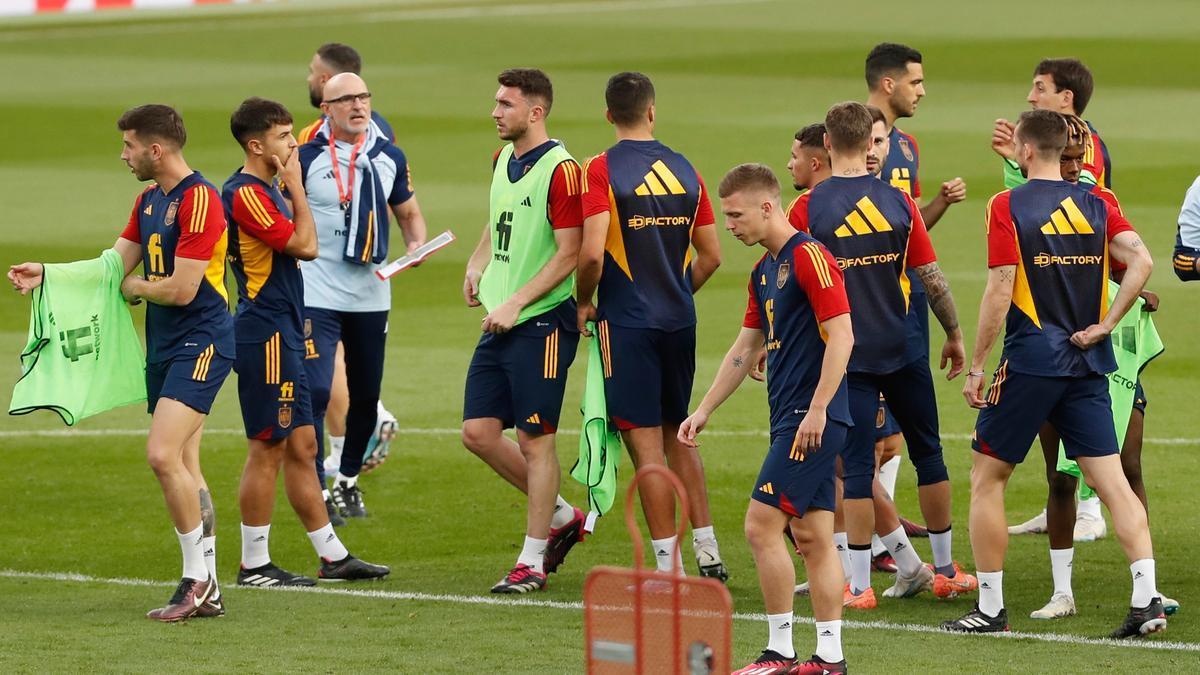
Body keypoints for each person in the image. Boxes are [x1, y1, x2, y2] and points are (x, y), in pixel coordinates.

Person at [944, 110, 1164, 638]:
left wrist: (977, 365)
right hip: (1087, 360)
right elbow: (1143, 261)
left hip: (1030, 361)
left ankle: (992, 609)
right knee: (1111, 483)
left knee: (987, 477)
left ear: (1023, 150)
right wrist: (1106, 324)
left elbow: (1000, 289)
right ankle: (1146, 600)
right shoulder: (1100, 202)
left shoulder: (1007, 205)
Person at [11, 105, 231, 621]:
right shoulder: (148, 200)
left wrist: (136, 287)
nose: (123, 154)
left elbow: (180, 289)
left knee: (161, 455)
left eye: (129, 145)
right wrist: (50, 273)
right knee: (185, 463)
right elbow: (113, 265)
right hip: (164, 345)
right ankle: (212, 587)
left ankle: (194, 580)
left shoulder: (201, 201)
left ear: (156, 150)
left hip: (203, 341)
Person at [791, 102, 974, 609]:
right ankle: (943, 571)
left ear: (827, 144)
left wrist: (772, 339)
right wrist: (955, 332)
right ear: (868, 144)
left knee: (854, 467)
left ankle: (858, 585)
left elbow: (789, 284)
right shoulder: (898, 201)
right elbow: (930, 277)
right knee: (929, 453)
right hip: (904, 347)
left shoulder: (806, 209)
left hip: (847, 355)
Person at [682, 163, 852, 675]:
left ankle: (780, 651)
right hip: (793, 416)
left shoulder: (811, 257)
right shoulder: (763, 271)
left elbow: (842, 335)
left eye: (735, 215)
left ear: (767, 207)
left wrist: (819, 409)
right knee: (814, 537)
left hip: (813, 418)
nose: (728, 225)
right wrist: (705, 408)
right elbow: (745, 347)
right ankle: (829, 659)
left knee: (760, 526)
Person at [1003, 114, 1174, 618]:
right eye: (1070, 158)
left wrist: (1138, 299)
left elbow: (1128, 268)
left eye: (1083, 159)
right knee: (1061, 475)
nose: (1076, 167)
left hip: (1112, 356)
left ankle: (1148, 587)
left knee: (1129, 465)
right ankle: (1062, 591)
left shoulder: (1102, 204)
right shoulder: (1026, 201)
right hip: (1056, 353)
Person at [222, 97, 390, 586]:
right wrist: (297, 187)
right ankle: (254, 564)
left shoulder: (267, 189)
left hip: (287, 328)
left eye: (293, 133)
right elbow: (306, 247)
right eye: (282, 136)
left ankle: (333, 556)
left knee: (304, 444)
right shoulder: (247, 193)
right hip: (265, 334)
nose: (294, 143)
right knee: (268, 447)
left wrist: (289, 188)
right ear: (256, 145)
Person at [577, 71, 725, 579]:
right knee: (678, 432)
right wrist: (678, 291)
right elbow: (711, 255)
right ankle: (709, 550)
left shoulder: (599, 169)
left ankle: (669, 567)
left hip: (628, 325)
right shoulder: (686, 169)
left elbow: (593, 254)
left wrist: (582, 302)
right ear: (652, 112)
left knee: (647, 449)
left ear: (608, 114)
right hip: (679, 322)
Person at [460, 68, 586, 593]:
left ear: (536, 112)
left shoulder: (563, 171)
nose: (495, 112)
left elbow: (570, 252)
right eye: (495, 103)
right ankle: (561, 516)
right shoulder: (502, 160)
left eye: (505, 105)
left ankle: (532, 561)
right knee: (479, 433)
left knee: (535, 441)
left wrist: (515, 300)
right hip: (502, 318)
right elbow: (498, 218)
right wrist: (477, 261)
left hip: (543, 322)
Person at [298, 72, 427, 519]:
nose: (358, 105)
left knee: (366, 396)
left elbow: (409, 213)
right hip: (316, 288)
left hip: (371, 292)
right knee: (315, 389)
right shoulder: (306, 156)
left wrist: (415, 246)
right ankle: (313, 482)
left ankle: (347, 481)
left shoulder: (389, 155)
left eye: (363, 97)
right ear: (326, 109)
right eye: (346, 99)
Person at [865, 43, 965, 555]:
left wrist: (940, 204)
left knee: (898, 430)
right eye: (916, 82)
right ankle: (872, 542)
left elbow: (912, 227)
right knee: (868, 436)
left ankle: (886, 537)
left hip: (909, 303)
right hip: (866, 307)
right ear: (888, 84)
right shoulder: (849, 139)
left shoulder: (907, 147)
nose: (922, 91)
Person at [992, 58, 1111, 191]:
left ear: (1066, 98)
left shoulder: (1084, 143)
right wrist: (1017, 159)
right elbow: (1024, 200)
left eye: (1040, 89)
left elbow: (1080, 196)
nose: (1030, 97)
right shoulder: (1046, 140)